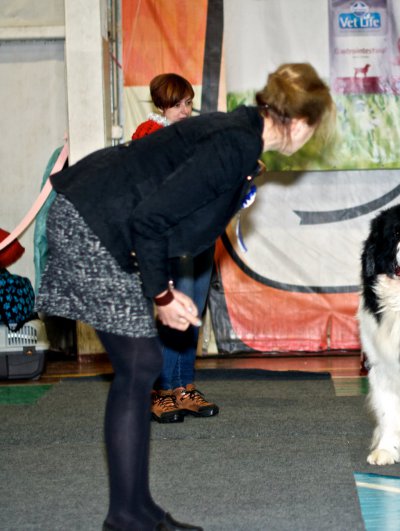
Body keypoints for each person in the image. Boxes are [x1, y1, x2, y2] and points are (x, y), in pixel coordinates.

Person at [36, 63, 334, 530]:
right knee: (139, 365)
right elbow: (151, 219)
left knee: (142, 366)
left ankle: (136, 510)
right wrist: (161, 294)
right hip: (93, 223)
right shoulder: (236, 142)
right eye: (314, 128)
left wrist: (164, 284)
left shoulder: (242, 135)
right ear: (299, 123)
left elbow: (167, 209)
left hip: (108, 222)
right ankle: (126, 517)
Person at [132, 73, 219, 424]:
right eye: (177, 104)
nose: (185, 110)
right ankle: (161, 391)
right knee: (173, 313)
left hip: (200, 233)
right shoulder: (147, 135)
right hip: (171, 239)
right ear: (160, 104)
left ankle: (184, 386)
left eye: (188, 103)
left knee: (193, 311)